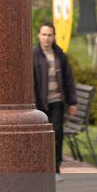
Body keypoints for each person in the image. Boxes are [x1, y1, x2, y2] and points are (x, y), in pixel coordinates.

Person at [32, 22, 77, 177]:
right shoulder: (33, 55)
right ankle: (39, 168)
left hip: (57, 102)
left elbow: (69, 80)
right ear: (39, 35)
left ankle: (55, 169)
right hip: (39, 104)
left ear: (54, 37)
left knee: (57, 135)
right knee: (39, 137)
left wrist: (72, 102)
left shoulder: (59, 55)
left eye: (49, 35)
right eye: (44, 34)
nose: (46, 38)